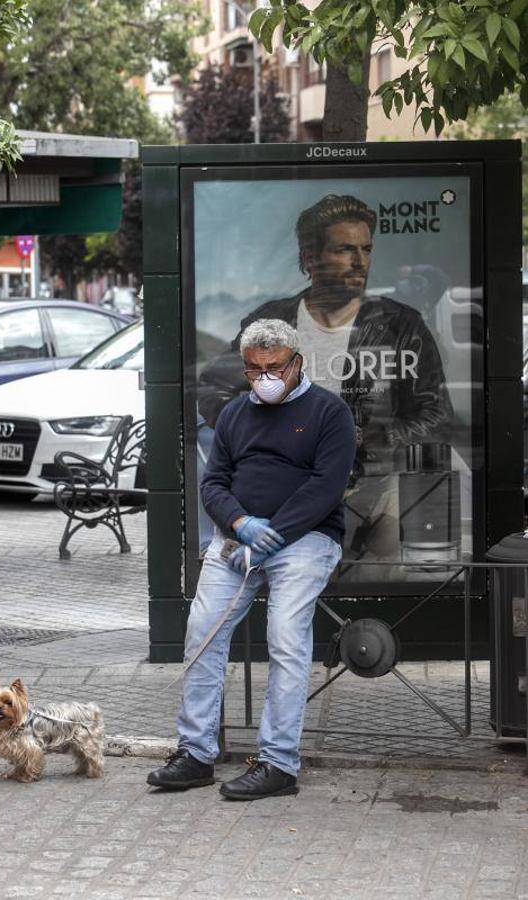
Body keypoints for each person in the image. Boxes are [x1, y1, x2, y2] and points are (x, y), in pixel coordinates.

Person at [147, 319, 356, 800]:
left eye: (275, 367)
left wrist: (275, 534)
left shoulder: (329, 412)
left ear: (297, 362)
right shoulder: (236, 414)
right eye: (255, 368)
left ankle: (278, 763)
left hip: (305, 540)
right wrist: (241, 526)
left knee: (284, 637)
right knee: (202, 632)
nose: (265, 376)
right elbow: (213, 484)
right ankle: (196, 753)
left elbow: (325, 488)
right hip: (238, 539)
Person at [197, 194, 454, 575]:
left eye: (366, 249)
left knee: (373, 583)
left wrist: (371, 436)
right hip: (284, 495)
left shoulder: (401, 325)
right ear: (310, 258)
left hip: (372, 491)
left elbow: (437, 414)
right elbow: (212, 390)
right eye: (345, 249)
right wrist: (264, 431)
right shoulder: (272, 320)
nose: (360, 261)